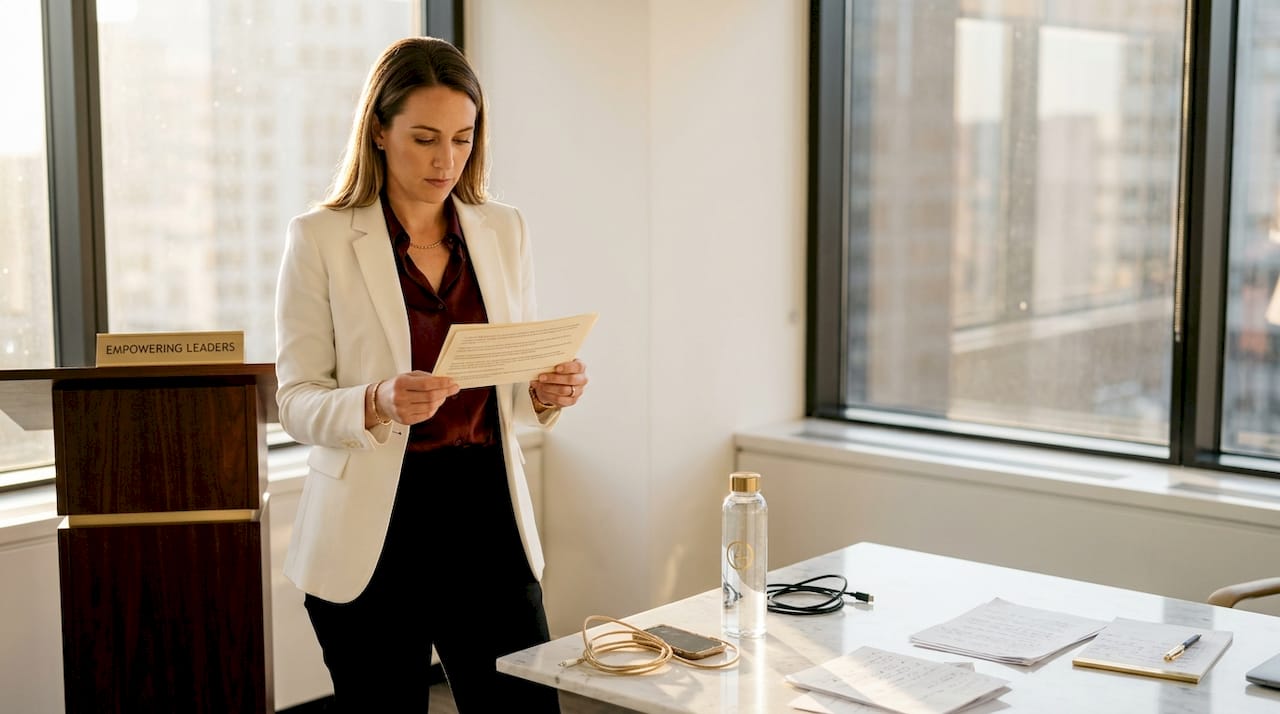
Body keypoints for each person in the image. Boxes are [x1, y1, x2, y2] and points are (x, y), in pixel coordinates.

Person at [274, 35, 585, 713]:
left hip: (488, 517)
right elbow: (295, 401)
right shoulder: (320, 238)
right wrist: (376, 400)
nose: (446, 160)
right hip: (375, 530)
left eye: (462, 140)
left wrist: (543, 392)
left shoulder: (504, 229)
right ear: (379, 131)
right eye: (424, 139)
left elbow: (513, 386)